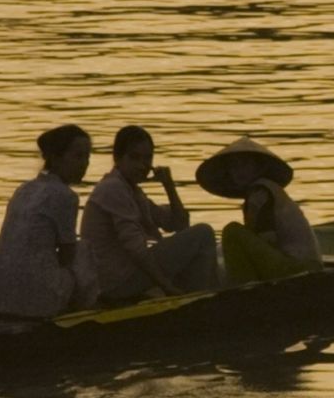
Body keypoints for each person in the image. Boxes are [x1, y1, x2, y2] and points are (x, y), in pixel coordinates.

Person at [82, 124, 223, 302]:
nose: (142, 165)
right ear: (118, 158)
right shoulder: (113, 188)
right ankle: (197, 301)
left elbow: (178, 225)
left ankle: (198, 294)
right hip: (114, 282)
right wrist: (166, 286)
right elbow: (136, 249)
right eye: (134, 158)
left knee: (199, 237)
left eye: (147, 158)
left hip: (124, 275)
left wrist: (169, 187)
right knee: (203, 233)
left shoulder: (131, 190)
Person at [0, 123, 92, 318]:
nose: (84, 163)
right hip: (36, 298)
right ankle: (81, 312)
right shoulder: (65, 196)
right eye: (78, 156)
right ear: (55, 158)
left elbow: (1, 244)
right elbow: (68, 254)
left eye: (87, 157)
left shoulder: (23, 189)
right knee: (84, 250)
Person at [199, 137, 320, 284]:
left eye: (245, 164)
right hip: (299, 264)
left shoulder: (261, 192)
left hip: (296, 267)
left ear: (259, 168)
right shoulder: (261, 192)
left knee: (232, 231)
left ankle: (242, 290)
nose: (239, 171)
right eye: (234, 166)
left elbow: (268, 239)